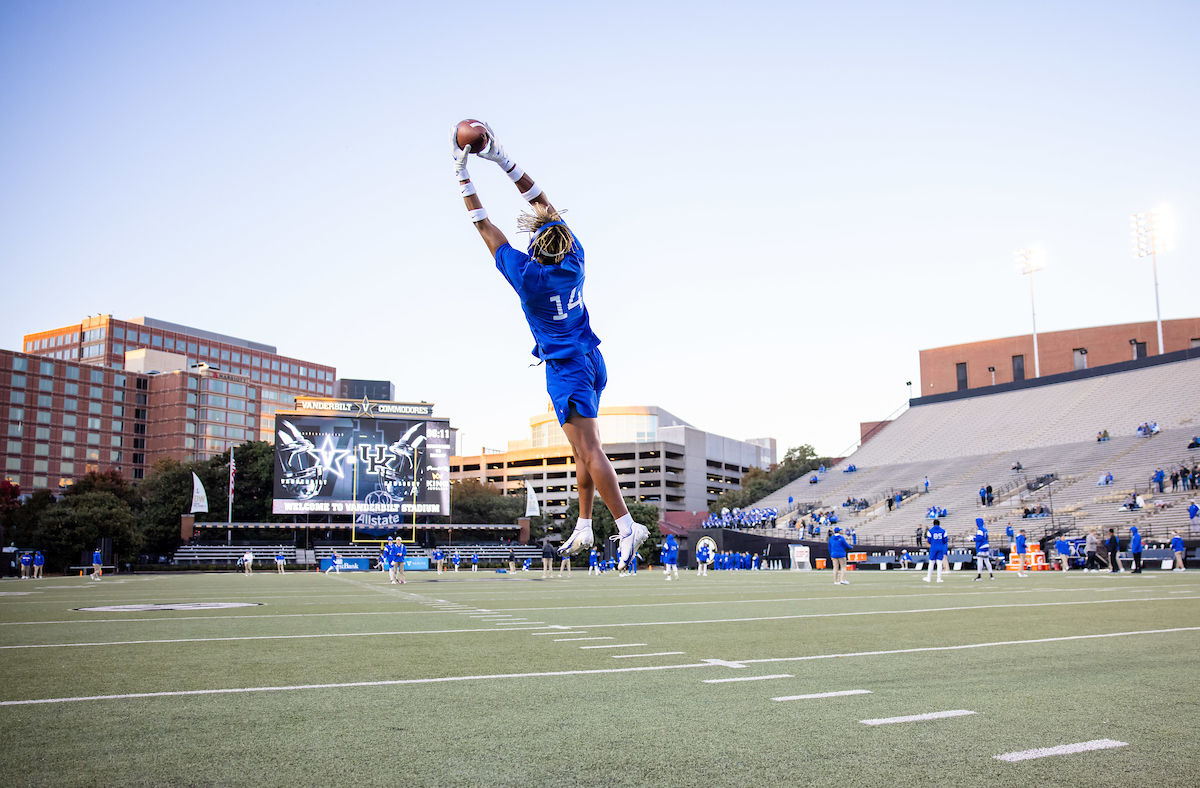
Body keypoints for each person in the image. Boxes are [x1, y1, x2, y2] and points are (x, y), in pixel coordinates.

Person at [453, 123, 648, 570]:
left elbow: (485, 227)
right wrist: (502, 160)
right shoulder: (574, 260)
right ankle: (583, 523)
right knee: (584, 449)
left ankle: (625, 525)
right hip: (592, 360)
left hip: (565, 368)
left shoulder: (529, 280)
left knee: (590, 450)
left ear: (535, 247)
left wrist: (462, 173)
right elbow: (542, 203)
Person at [924, 519, 947, 583]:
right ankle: (939, 578)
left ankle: (929, 578)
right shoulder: (943, 531)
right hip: (941, 547)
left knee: (931, 562)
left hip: (933, 547)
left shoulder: (930, 531)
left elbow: (928, 540)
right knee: (939, 563)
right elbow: (945, 540)